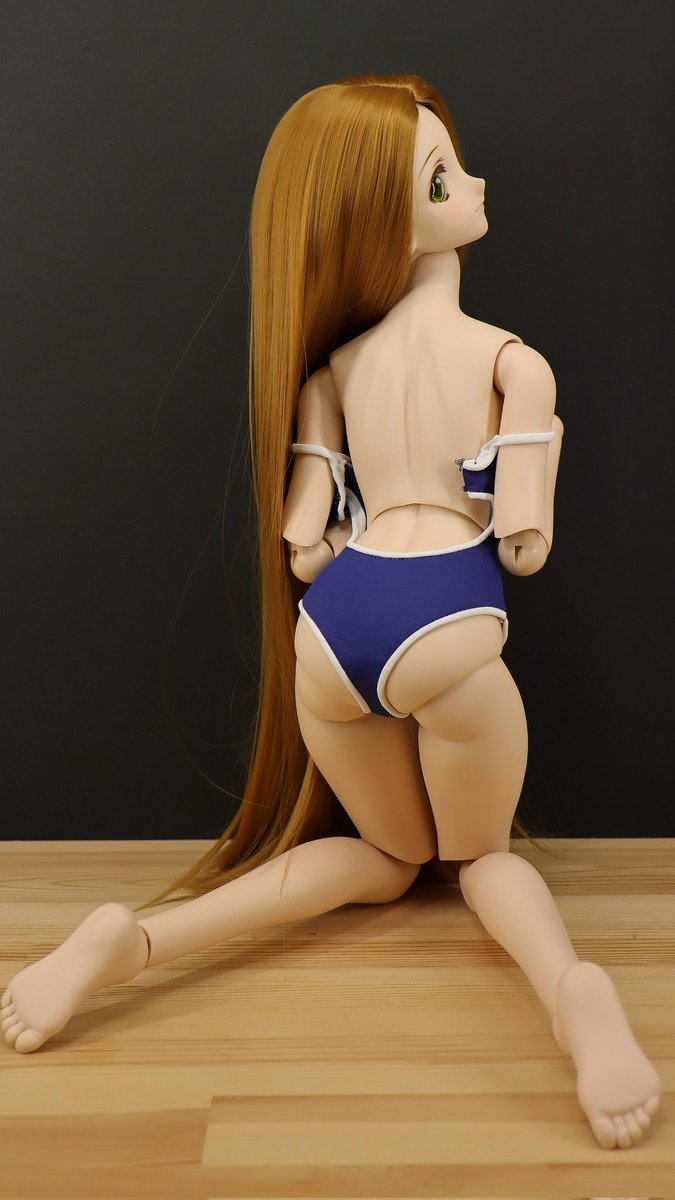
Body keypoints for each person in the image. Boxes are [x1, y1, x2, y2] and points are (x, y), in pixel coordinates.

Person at [1, 72, 660, 1150]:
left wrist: (347, 542)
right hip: (444, 618)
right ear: (381, 223)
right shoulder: (512, 362)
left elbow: (303, 541)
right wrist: (502, 507)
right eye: (443, 177)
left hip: (336, 633)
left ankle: (141, 943)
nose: (475, 182)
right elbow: (523, 541)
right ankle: (572, 989)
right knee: (481, 861)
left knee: (389, 860)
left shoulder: (331, 373)